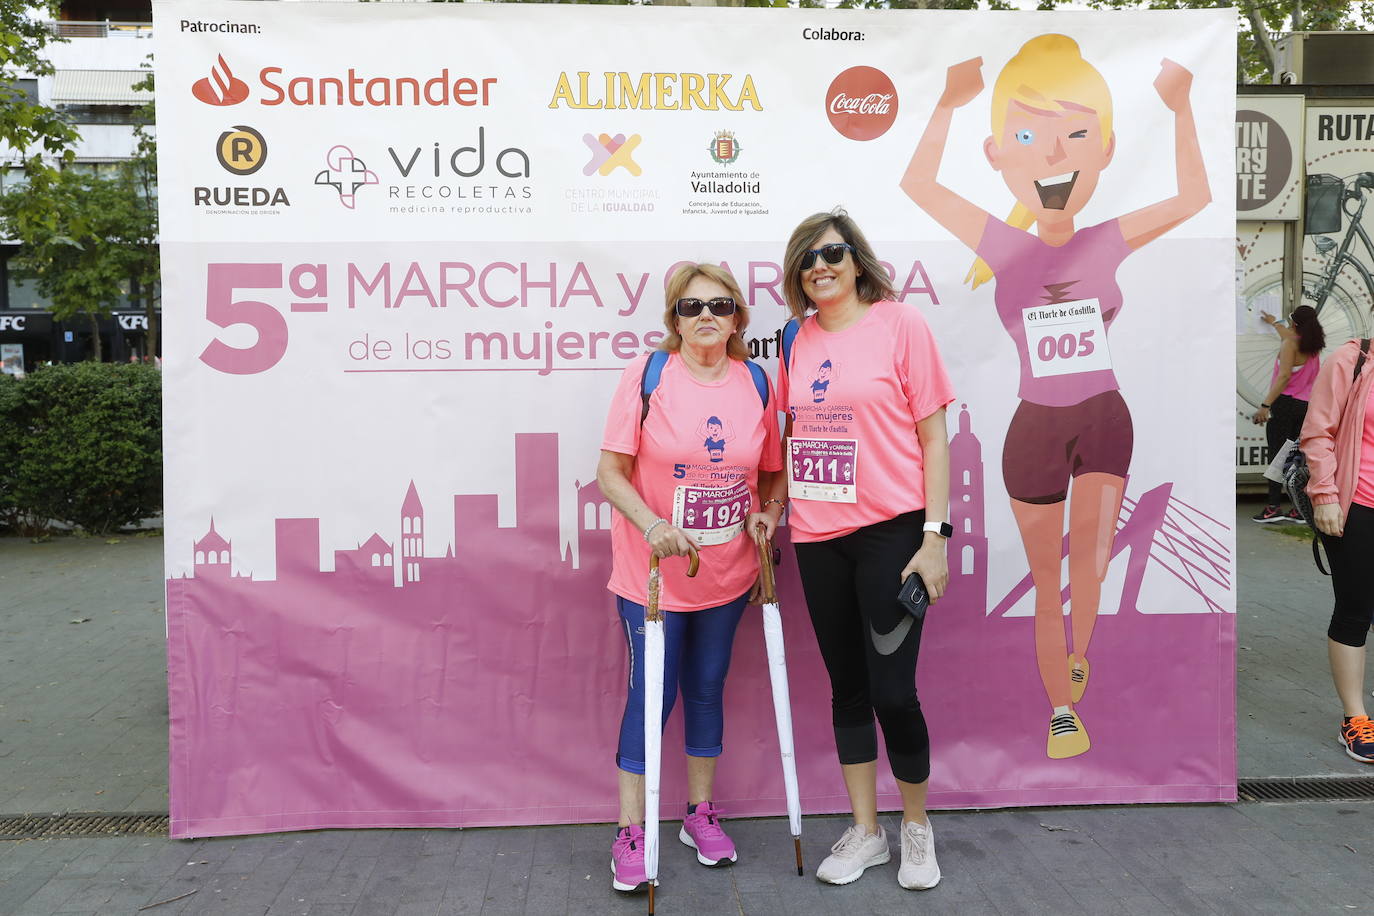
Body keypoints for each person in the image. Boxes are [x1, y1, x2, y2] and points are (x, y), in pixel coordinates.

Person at [899, 34, 1210, 759]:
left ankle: (1080, 649)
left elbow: (1194, 197)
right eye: (1028, 136)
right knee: (1048, 581)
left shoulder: (1108, 238)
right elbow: (919, 187)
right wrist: (945, 102)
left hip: (1104, 420)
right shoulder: (1002, 247)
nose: (1051, 155)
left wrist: (1182, 106)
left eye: (1074, 135)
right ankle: (1063, 709)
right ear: (997, 155)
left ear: (1103, 149)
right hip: (1035, 429)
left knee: (1092, 564)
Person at [596, 263, 786, 893]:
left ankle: (699, 814)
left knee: (707, 687)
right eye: (692, 306)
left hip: (727, 575)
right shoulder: (648, 376)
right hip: (653, 578)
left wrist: (768, 512)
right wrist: (652, 525)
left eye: (721, 304)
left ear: (738, 318)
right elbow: (610, 473)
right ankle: (631, 830)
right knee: (654, 694)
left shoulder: (757, 381)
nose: (707, 315)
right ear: (673, 317)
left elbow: (772, 470)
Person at [779, 209, 953, 890]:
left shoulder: (900, 324)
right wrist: (774, 511)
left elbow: (935, 437)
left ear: (857, 261)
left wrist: (933, 538)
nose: (819, 267)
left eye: (831, 254)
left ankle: (915, 828)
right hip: (818, 537)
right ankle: (867, 830)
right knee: (846, 688)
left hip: (891, 533)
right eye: (806, 259)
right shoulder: (796, 337)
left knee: (893, 691)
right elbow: (793, 439)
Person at [1302, 337, 1374, 764]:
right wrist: (1324, 494)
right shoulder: (1352, 359)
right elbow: (1317, 433)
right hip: (1358, 503)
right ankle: (1356, 716)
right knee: (1355, 609)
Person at [1252, 306, 1324, 523]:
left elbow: (1283, 377)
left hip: (1283, 405)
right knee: (1294, 456)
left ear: (1294, 323)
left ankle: (1273, 507)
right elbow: (1288, 336)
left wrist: (1265, 405)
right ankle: (1297, 508)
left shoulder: (1289, 344)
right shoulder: (1313, 343)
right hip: (1304, 406)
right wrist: (1274, 322)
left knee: (1277, 454)